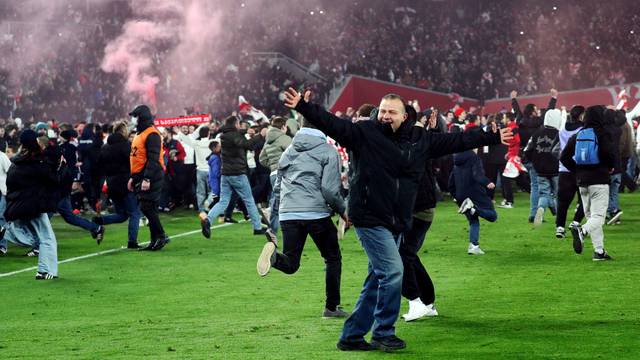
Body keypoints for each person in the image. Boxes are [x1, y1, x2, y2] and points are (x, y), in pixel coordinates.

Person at [283, 88, 512, 352]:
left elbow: (456, 141)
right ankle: (383, 332)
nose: (385, 115)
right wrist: (303, 106)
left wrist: (492, 135)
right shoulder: (364, 134)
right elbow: (332, 124)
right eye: (382, 111)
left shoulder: (420, 139)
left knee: (377, 279)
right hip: (369, 217)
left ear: (405, 116)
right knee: (393, 272)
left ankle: (352, 336)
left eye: (391, 111)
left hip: (397, 221)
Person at [256, 117, 348, 319]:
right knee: (333, 258)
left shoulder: (289, 149)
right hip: (316, 213)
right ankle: (331, 307)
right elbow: (330, 189)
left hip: (289, 213)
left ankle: (274, 258)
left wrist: (278, 210)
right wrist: (344, 210)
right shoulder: (328, 150)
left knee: (291, 264)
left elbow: (278, 185)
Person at [0, 130, 60, 279]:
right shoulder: (38, 161)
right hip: (35, 205)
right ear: (35, 142)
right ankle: (45, 270)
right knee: (47, 238)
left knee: (34, 236)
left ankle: (8, 232)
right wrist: (60, 168)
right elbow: (53, 180)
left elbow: (10, 184)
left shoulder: (16, 162)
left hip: (18, 205)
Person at [560, 106, 616, 261]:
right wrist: (610, 167)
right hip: (599, 180)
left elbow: (563, 157)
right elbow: (609, 154)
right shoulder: (603, 133)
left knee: (592, 216)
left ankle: (599, 251)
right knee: (599, 217)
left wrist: (577, 171)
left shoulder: (578, 135)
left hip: (582, 182)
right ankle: (582, 231)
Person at [400, 109, 440, 321]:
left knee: (403, 254)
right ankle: (427, 301)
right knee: (408, 254)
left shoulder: (412, 139)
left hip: (417, 207)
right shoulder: (417, 137)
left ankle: (417, 301)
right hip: (421, 206)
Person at [199, 115, 267, 239]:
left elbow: (236, 135)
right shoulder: (234, 136)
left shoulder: (224, 135)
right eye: (238, 124)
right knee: (249, 200)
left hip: (226, 175)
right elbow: (247, 144)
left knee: (223, 201)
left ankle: (208, 220)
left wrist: (247, 131)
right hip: (238, 173)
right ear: (235, 124)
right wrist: (260, 135)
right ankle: (257, 227)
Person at [128, 105, 170, 251]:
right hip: (142, 175)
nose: (132, 119)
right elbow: (137, 157)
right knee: (149, 207)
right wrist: (133, 177)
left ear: (141, 117)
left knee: (147, 206)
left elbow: (153, 159)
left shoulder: (152, 134)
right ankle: (154, 241)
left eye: (135, 116)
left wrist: (147, 178)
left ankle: (162, 235)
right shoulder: (142, 133)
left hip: (152, 174)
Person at [511, 89, 557, 222]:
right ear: (532, 111)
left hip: (526, 157)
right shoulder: (540, 122)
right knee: (547, 186)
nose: (538, 111)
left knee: (535, 186)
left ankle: (535, 213)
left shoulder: (520, 121)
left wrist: (514, 99)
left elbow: (517, 111)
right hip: (541, 157)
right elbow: (549, 112)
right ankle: (548, 208)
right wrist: (553, 98)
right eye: (536, 109)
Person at [94, 121, 142, 249]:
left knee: (122, 215)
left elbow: (99, 165)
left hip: (111, 184)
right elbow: (133, 163)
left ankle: (100, 221)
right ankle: (132, 242)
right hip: (126, 183)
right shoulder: (126, 146)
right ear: (124, 131)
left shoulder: (104, 147)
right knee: (134, 213)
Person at [449, 145, 497, 255]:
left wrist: (456, 196)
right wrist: (487, 182)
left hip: (461, 196)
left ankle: (473, 246)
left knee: (473, 221)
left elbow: (450, 182)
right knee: (493, 216)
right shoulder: (474, 157)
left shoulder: (456, 160)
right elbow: (477, 175)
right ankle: (474, 208)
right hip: (476, 194)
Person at [524, 108, 562, 226]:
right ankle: (559, 217)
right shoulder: (559, 134)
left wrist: (534, 161)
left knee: (542, 192)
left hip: (539, 169)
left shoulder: (537, 133)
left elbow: (527, 150)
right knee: (558, 194)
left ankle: (538, 210)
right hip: (555, 169)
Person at [555, 106, 586, 238]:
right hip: (579, 168)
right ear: (580, 116)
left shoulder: (562, 130)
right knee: (585, 200)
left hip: (564, 169)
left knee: (563, 201)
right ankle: (575, 222)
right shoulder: (583, 131)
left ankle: (560, 228)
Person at [259, 117, 292, 233]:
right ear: (283, 126)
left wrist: (273, 166)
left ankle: (272, 228)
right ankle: (287, 229)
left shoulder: (268, 140)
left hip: (273, 174)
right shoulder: (284, 138)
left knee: (278, 201)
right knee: (289, 202)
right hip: (285, 174)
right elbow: (294, 154)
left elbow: (262, 159)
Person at [174, 124, 214, 213]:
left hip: (200, 171)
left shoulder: (196, 143)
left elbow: (186, 139)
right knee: (213, 190)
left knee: (200, 192)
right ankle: (208, 202)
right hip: (210, 170)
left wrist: (179, 132)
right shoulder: (213, 142)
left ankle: (201, 209)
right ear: (208, 134)